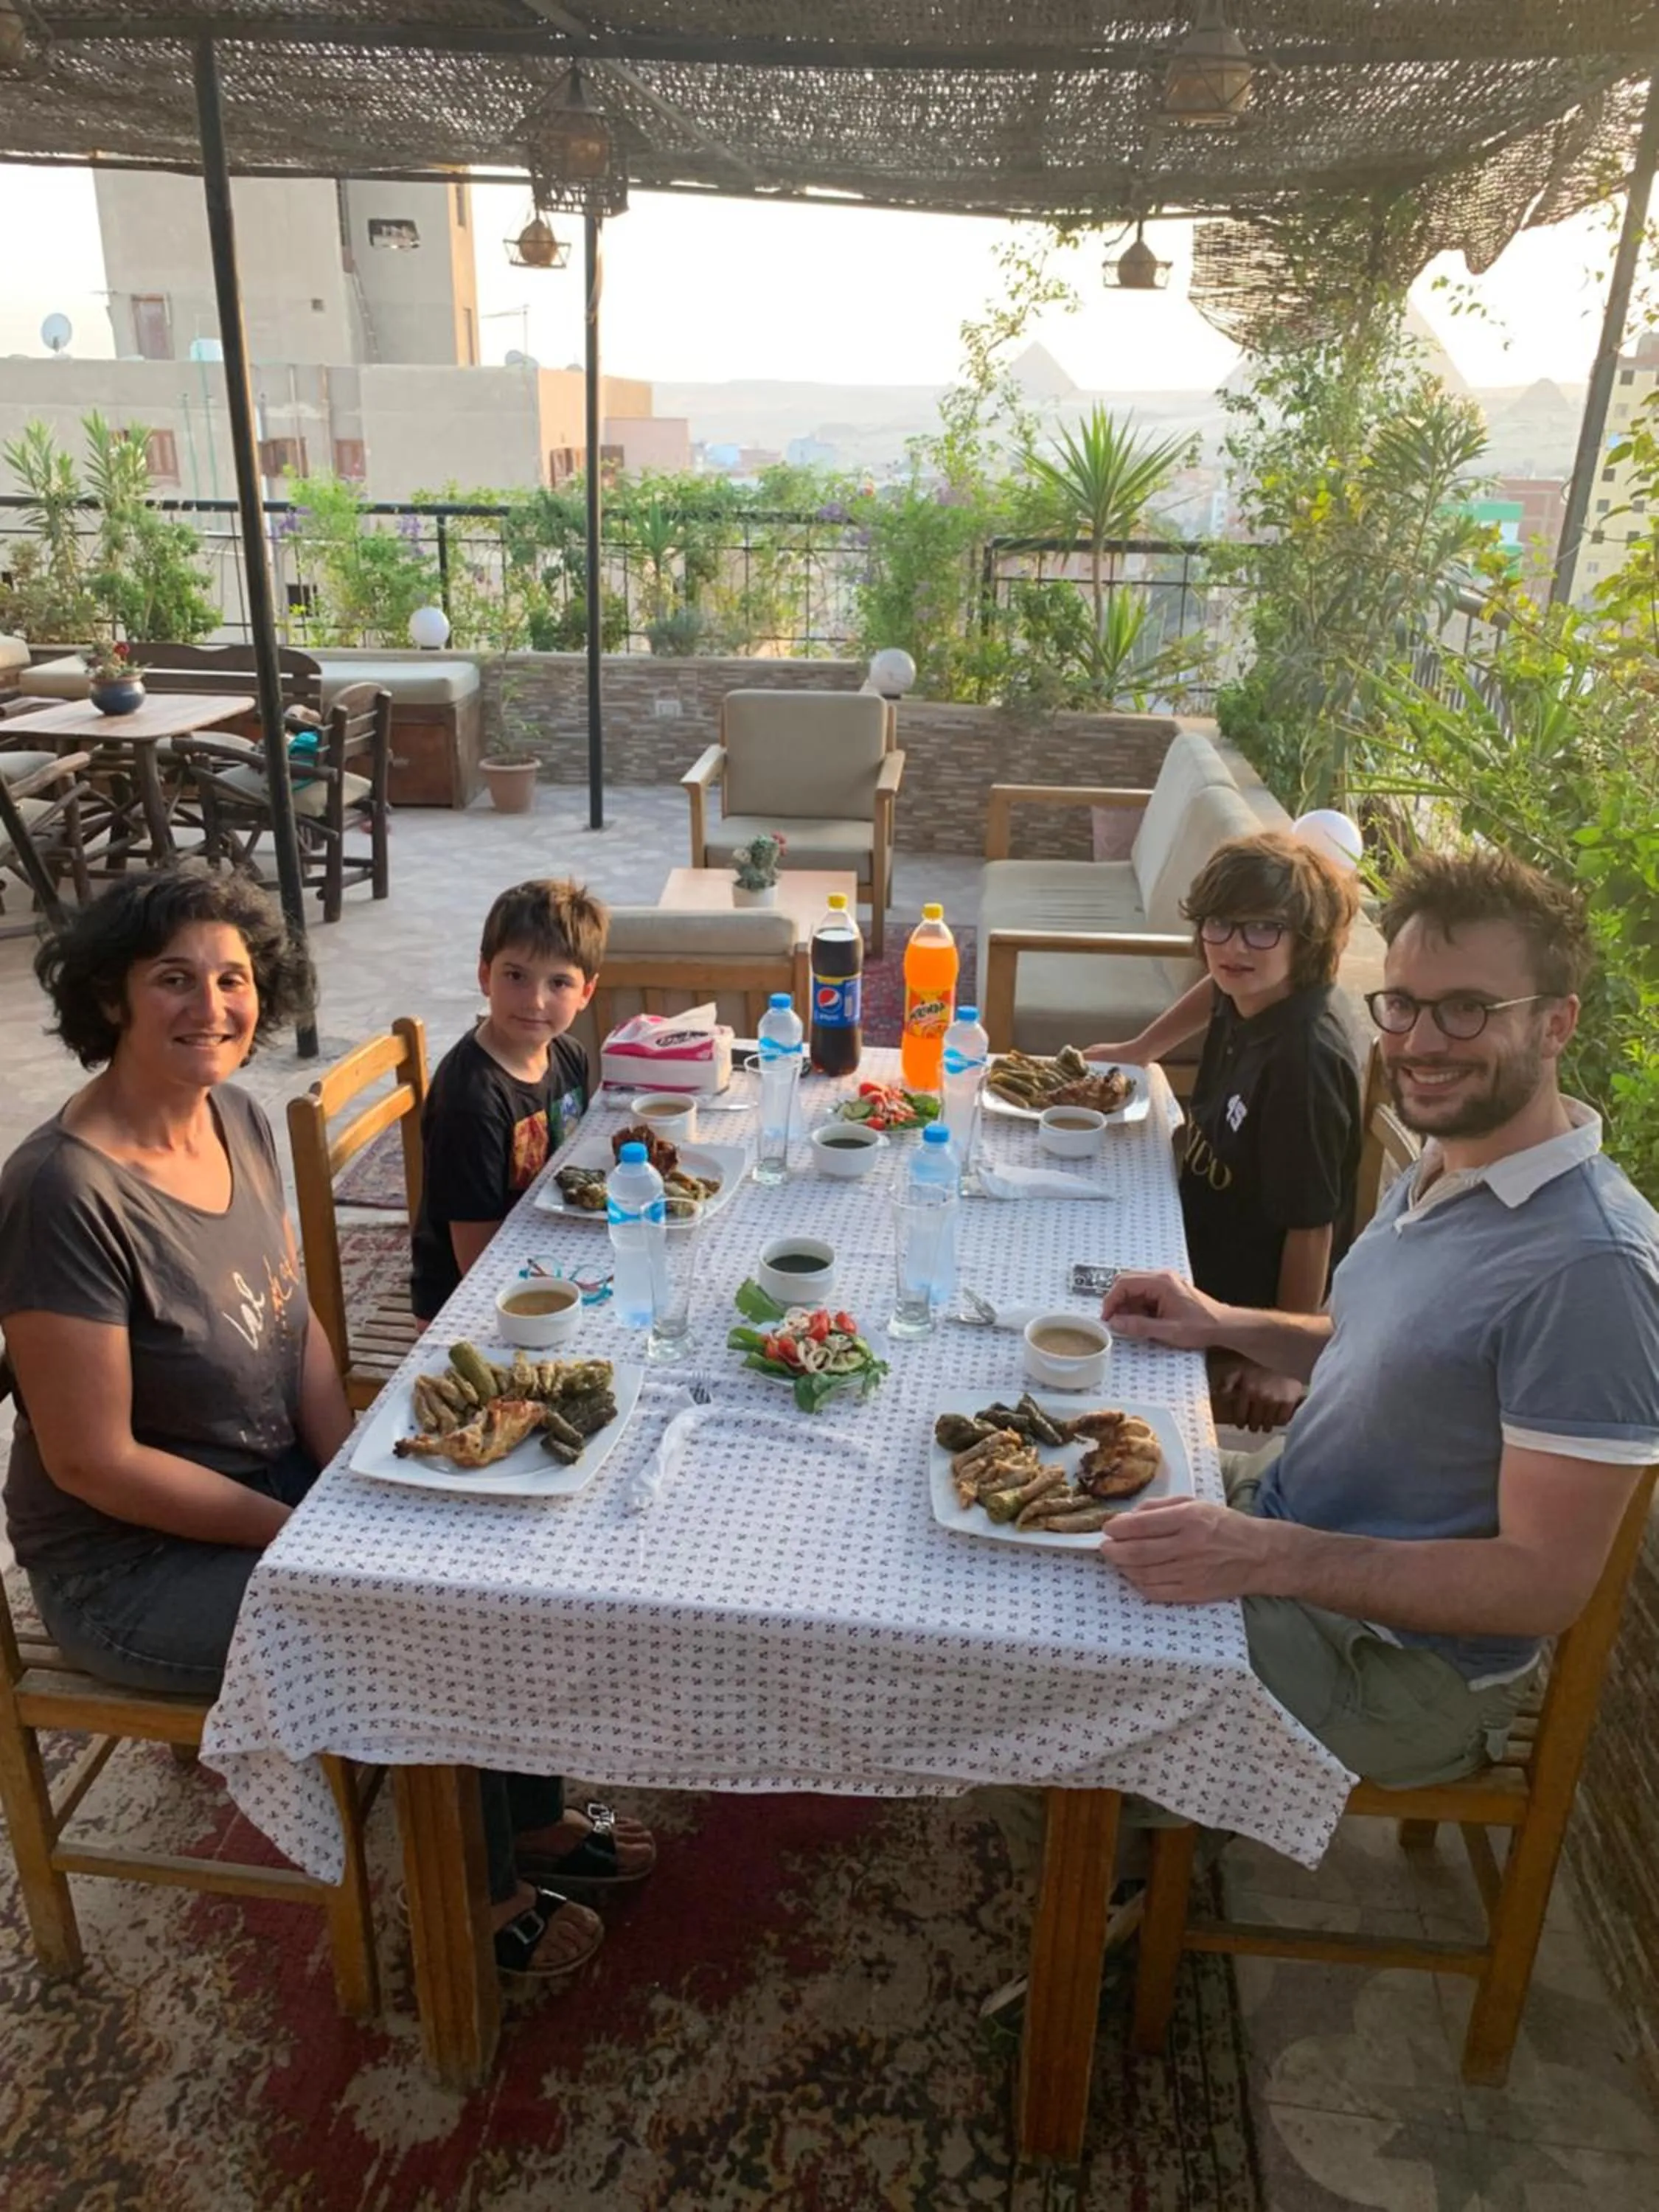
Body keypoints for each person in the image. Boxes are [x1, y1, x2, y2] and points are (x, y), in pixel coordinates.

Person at [0, 864, 644, 1980]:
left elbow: (293, 1318)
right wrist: (294, 1529)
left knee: (494, 1541)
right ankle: (475, 1909)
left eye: (234, 978)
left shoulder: (236, 1118)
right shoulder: (64, 1194)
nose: (212, 1006)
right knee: (429, 1625)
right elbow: (92, 1463)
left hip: (270, 1488)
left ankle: (526, 1815)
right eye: (173, 979)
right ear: (111, 996)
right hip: (134, 1568)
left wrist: (345, 1463)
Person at [1099, 849, 1659, 1788]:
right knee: (1042, 1497)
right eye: (1401, 1004)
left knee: (1071, 1657)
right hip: (1292, 1517)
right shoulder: (1454, 1164)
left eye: (1468, 1009)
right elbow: (1391, 1352)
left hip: (1400, 1669)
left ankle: (1110, 1873)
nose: (1421, 1041)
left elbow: (1543, 1584)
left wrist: (1268, 1556)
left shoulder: (1593, 1272)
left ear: (1558, 1023)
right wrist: (1220, 1320)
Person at [1085, 829, 1363, 1430]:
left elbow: (1312, 1226)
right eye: (1218, 924)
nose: (1233, 947)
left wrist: (1281, 1360)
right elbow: (1216, 985)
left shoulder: (1303, 1062)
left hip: (1231, 1311)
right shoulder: (1251, 987)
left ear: (1306, 939)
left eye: (1262, 928)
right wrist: (1141, 1048)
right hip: (1182, 1240)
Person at [411, 878, 606, 1324]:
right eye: (515, 976)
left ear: (587, 993)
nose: (535, 1001)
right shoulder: (472, 1101)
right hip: (467, 1303)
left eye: (559, 983)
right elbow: (473, 1262)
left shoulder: (570, 1055)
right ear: (485, 975)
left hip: (543, 1253)